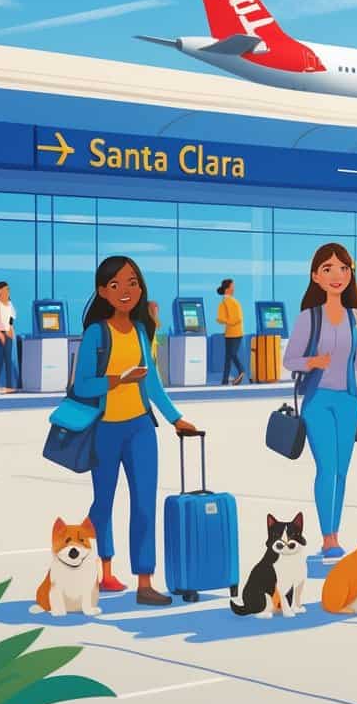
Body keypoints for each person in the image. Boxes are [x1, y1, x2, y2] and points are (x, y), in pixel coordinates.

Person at [76, 256, 199, 605]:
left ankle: (145, 581)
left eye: (132, 282)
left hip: (141, 428)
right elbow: (82, 385)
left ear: (141, 287)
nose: (125, 291)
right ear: (102, 292)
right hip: (105, 430)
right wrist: (117, 380)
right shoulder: (96, 334)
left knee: (145, 504)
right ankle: (103, 570)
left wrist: (176, 419)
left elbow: (154, 384)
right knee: (104, 503)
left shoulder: (143, 332)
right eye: (115, 285)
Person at [283, 243, 357, 561]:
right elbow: (289, 359)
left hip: (349, 402)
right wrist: (313, 362)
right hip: (319, 401)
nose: (337, 275)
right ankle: (329, 537)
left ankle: (334, 531)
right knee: (327, 468)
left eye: (343, 268)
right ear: (316, 277)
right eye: (328, 269)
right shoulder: (309, 318)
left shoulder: (355, 317)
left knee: (342, 471)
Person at [216, 279, 245, 386]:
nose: (234, 288)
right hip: (232, 333)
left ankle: (241, 370)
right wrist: (224, 320)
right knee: (228, 357)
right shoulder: (228, 302)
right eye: (232, 286)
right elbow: (225, 318)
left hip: (233, 333)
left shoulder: (229, 302)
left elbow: (235, 318)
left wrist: (225, 321)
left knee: (231, 355)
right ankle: (224, 381)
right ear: (227, 289)